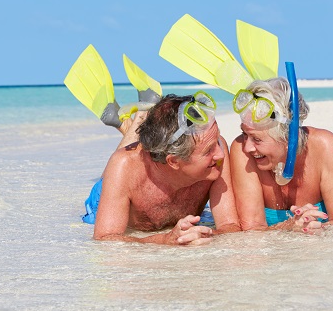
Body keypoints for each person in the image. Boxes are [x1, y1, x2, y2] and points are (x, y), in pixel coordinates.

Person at [90, 92, 241, 245]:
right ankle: (134, 124)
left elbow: (230, 227)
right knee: (117, 162)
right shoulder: (124, 167)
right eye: (208, 150)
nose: (221, 154)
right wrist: (164, 240)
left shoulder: (215, 154)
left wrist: (199, 236)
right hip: (104, 193)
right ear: (174, 161)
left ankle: (141, 121)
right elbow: (105, 239)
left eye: (217, 141)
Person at [229, 77, 333, 232]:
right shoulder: (241, 151)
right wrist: (289, 227)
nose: (247, 147)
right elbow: (252, 231)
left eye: (257, 139)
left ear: (288, 137)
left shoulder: (324, 146)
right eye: (244, 134)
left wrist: (318, 228)